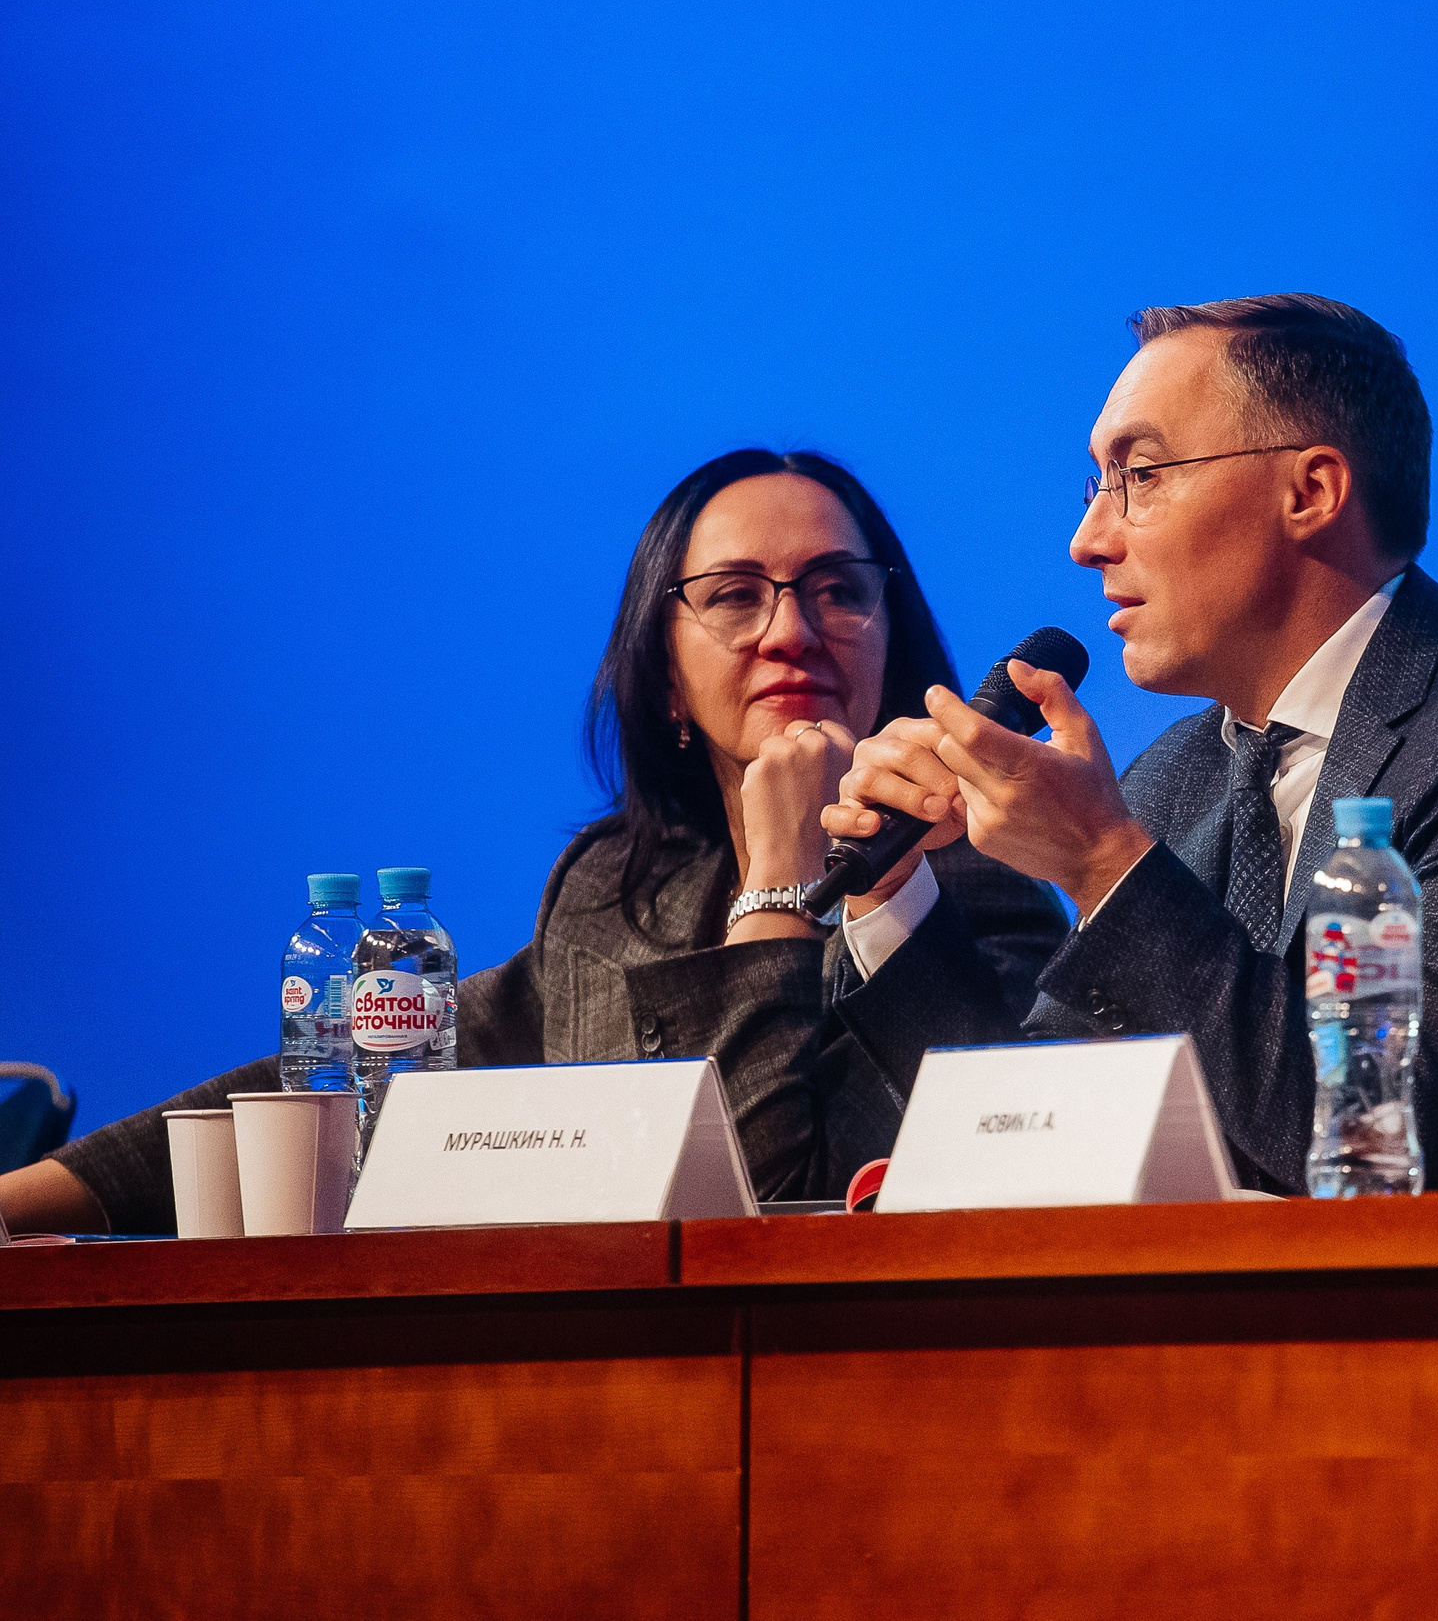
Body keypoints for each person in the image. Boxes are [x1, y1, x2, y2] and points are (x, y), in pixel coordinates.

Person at [1, 449, 1067, 1233]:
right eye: (736, 598)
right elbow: (355, 1081)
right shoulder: (615, 893)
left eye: (838, 591)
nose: (791, 630)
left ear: (893, 633)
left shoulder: (974, 880)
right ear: (663, 678)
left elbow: (752, 1204)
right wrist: (25, 1198)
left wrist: (783, 886)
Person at [823, 294, 1438, 1191]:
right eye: (1098, 484)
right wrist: (897, 900)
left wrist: (1104, 864)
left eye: (1141, 475)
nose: (1088, 540)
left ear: (1311, 492)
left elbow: (1389, 1147)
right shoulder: (1176, 776)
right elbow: (1045, 1148)